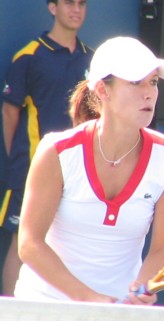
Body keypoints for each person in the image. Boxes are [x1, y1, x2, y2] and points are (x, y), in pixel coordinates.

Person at [14, 36, 164, 304]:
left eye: (153, 82)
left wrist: (142, 287)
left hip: (119, 312)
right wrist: (88, 298)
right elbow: (30, 244)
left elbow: (163, 249)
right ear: (103, 91)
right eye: (135, 82)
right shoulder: (56, 153)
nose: (149, 92)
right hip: (44, 305)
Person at [0, 0, 92, 296]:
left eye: (81, 4)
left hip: (80, 171)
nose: (76, 9)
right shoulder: (29, 56)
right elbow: (10, 112)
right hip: (30, 171)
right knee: (22, 241)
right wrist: (21, 160)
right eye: (68, 3)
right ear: (52, 8)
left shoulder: (93, 60)